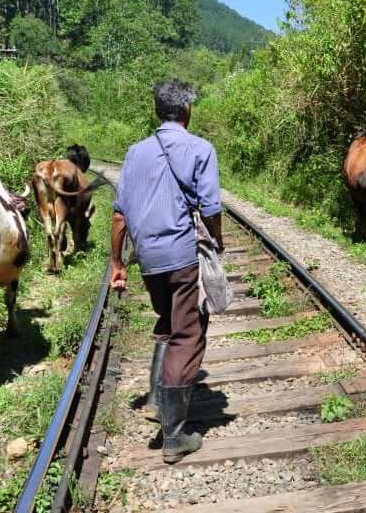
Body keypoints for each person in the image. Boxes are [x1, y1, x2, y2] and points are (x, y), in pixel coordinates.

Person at [108, 79, 223, 464]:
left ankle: (157, 399)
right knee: (188, 333)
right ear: (187, 110)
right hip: (181, 255)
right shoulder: (200, 148)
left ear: (159, 111)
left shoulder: (135, 152)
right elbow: (209, 208)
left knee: (166, 320)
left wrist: (118, 262)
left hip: (148, 259)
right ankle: (174, 437)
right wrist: (217, 244)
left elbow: (120, 215)